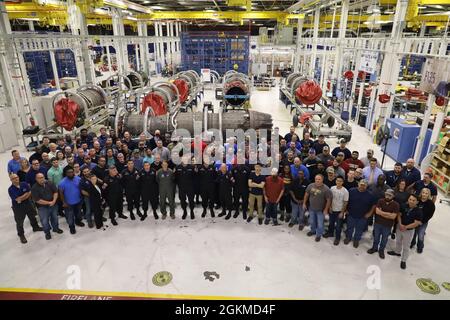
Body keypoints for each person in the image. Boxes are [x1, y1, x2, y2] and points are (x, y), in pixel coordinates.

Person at [388, 194, 423, 270]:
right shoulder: (403, 206)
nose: (411, 201)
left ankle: (403, 260)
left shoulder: (419, 211)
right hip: (399, 227)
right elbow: (399, 215)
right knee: (398, 241)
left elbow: (416, 223)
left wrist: (406, 227)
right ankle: (397, 252)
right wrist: (400, 224)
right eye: (410, 199)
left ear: (417, 202)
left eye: (413, 200)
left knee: (406, 246)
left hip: (408, 231)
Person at [8, 174, 42, 243]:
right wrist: (26, 195)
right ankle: (21, 235)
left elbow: (30, 192)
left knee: (32, 217)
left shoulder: (24, 184)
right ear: (11, 180)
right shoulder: (10, 189)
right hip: (18, 208)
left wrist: (23, 197)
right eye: (14, 178)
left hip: (28, 204)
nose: (16, 179)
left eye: (17, 177)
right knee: (19, 222)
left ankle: (35, 227)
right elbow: (17, 199)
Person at [367, 189, 399, 259]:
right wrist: (388, 214)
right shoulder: (380, 201)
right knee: (376, 237)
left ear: (393, 196)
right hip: (378, 223)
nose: (387, 196)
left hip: (387, 225)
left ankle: (381, 250)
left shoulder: (396, 205)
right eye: (386, 194)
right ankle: (374, 248)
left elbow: (393, 216)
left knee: (384, 239)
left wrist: (382, 213)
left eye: (390, 195)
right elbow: (377, 211)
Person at [344, 179, 376, 248]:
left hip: (363, 216)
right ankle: (348, 238)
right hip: (351, 214)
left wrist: (370, 213)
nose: (362, 186)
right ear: (358, 184)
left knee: (359, 229)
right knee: (349, 227)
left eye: (364, 185)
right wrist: (346, 209)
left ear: (366, 186)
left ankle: (356, 240)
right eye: (361, 184)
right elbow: (346, 200)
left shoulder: (370, 195)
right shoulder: (351, 191)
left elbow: (374, 205)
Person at [31, 173, 62, 240]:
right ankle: (47, 233)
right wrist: (49, 202)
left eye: (42, 177)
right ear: (36, 179)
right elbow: (37, 200)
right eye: (39, 178)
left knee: (55, 218)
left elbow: (55, 192)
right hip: (42, 207)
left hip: (53, 204)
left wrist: (54, 200)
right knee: (44, 221)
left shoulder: (49, 183)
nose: (41, 179)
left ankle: (56, 229)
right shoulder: (34, 188)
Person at [303, 174, 332, 242]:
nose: (317, 180)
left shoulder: (326, 189)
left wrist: (326, 209)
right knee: (312, 221)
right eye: (316, 179)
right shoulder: (310, 186)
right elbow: (306, 195)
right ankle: (313, 231)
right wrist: (304, 203)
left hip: (320, 210)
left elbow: (329, 200)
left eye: (319, 179)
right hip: (311, 208)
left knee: (320, 224)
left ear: (322, 180)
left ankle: (318, 235)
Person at [58, 167, 84, 234]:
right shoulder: (62, 183)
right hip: (68, 203)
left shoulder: (78, 179)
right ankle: (72, 227)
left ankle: (78, 222)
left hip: (78, 201)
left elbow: (81, 188)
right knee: (70, 216)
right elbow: (61, 194)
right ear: (66, 173)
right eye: (69, 172)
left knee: (78, 213)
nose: (71, 173)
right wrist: (64, 202)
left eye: (72, 172)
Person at [410, 188, 435, 254]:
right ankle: (412, 243)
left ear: (428, 195)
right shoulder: (417, 200)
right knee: (413, 233)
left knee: (420, 235)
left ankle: (420, 247)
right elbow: (413, 208)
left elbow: (430, 215)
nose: (424, 194)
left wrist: (422, 222)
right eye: (423, 192)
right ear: (421, 193)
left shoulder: (431, 203)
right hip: (415, 221)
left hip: (423, 223)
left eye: (426, 193)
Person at [325, 176, 349, 245]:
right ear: (335, 181)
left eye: (340, 181)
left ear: (343, 182)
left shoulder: (345, 191)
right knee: (331, 223)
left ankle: (337, 238)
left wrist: (342, 212)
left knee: (338, 226)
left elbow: (345, 202)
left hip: (339, 211)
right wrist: (329, 207)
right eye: (337, 180)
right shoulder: (332, 188)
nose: (338, 182)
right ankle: (330, 233)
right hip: (332, 209)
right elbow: (329, 198)